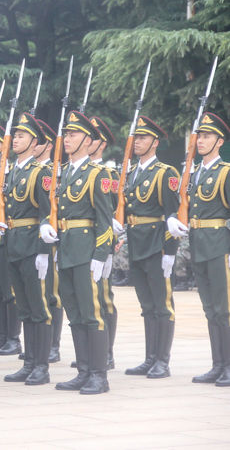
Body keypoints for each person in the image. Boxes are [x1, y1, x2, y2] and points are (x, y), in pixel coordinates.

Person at [40, 111, 113, 395]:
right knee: (75, 313)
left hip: (86, 252)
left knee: (92, 313)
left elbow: (105, 221)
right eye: (66, 135)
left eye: (72, 135)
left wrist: (100, 255)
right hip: (67, 250)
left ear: (87, 139)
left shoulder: (97, 174)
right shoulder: (64, 173)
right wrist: (49, 226)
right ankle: (83, 371)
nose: (67, 140)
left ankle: (99, 375)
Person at [167, 112, 230, 387]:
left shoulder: (226, 172)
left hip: (219, 248)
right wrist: (175, 220)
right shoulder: (194, 174)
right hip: (199, 245)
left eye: (207, 136)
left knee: (225, 309)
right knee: (210, 309)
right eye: (200, 136)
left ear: (220, 141)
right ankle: (218, 364)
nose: (201, 141)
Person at [114, 116, 178, 379]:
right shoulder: (130, 174)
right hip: (136, 243)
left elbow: (173, 216)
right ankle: (150, 358)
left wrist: (170, 253)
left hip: (156, 245)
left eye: (142, 138)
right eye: (136, 138)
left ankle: (162, 360)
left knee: (162, 305)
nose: (137, 142)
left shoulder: (166, 173)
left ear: (155, 142)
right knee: (147, 305)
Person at [0, 114, 53, 386]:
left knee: (38, 307)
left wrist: (44, 251)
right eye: (15, 135)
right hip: (12, 243)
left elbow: (48, 214)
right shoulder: (12, 171)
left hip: (32, 246)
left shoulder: (40, 173)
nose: (16, 140)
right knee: (24, 308)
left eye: (21, 136)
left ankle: (41, 366)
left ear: (35, 142)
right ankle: (29, 361)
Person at [0, 122, 22, 356]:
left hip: (9, 234)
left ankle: (13, 337)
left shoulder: (8, 171)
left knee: (10, 290)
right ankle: (0, 334)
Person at [89, 116, 118, 369]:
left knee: (104, 298)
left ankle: (106, 352)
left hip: (102, 244)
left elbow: (113, 214)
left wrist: (108, 249)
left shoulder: (109, 173)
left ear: (101, 143)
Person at [34, 118, 63, 364]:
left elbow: (49, 212)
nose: (34, 145)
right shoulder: (29, 171)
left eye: (39, 141)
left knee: (52, 294)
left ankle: (53, 344)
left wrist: (46, 247)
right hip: (28, 242)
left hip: (48, 241)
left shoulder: (49, 173)